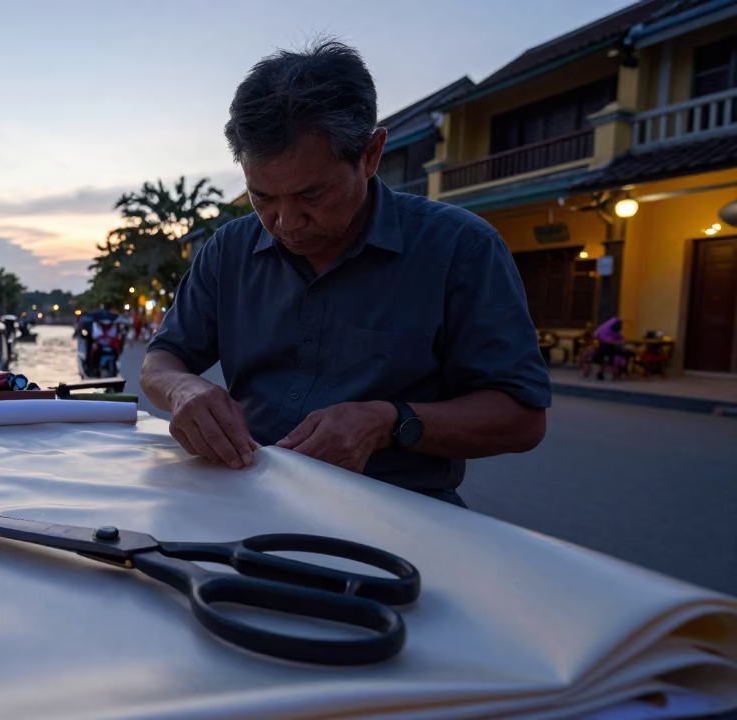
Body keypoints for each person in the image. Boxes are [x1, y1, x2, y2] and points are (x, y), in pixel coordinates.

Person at [141, 41, 550, 508]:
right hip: (244, 496)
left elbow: (521, 417)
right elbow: (162, 360)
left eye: (311, 195)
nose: (285, 223)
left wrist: (387, 423)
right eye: (263, 197)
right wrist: (184, 388)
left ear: (372, 154)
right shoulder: (228, 250)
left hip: (398, 513)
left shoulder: (461, 249)